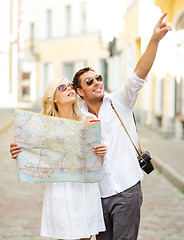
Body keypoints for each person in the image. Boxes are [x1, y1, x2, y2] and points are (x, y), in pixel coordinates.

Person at [72, 13, 172, 240]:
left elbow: (139, 74)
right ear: (80, 92)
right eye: (89, 81)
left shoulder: (120, 101)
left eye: (98, 78)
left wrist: (154, 40)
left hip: (127, 190)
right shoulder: (78, 120)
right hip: (97, 196)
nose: (96, 82)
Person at [10, 76, 107, 240]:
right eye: (62, 87)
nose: (69, 88)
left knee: (84, 238)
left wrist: (101, 153)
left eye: (70, 86)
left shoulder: (88, 122)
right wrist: (19, 152)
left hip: (83, 189)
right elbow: (32, 155)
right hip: (59, 189)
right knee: (64, 237)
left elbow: (96, 164)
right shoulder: (43, 127)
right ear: (54, 98)